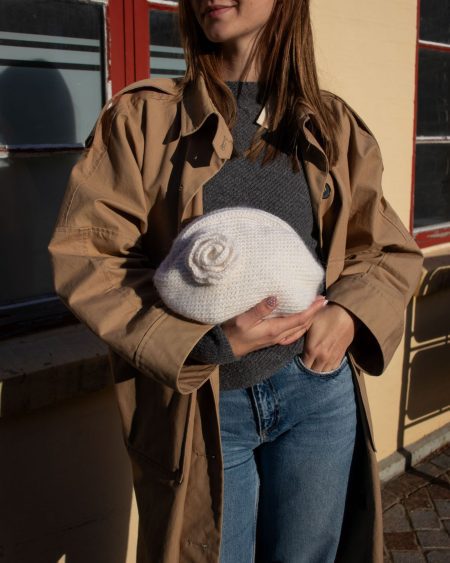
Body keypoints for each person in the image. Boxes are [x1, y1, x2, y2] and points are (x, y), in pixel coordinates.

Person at [49, 0, 423, 561]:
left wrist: (348, 314)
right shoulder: (142, 120)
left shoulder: (333, 125)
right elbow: (89, 257)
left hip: (316, 390)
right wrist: (202, 342)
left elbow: (385, 249)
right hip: (206, 407)